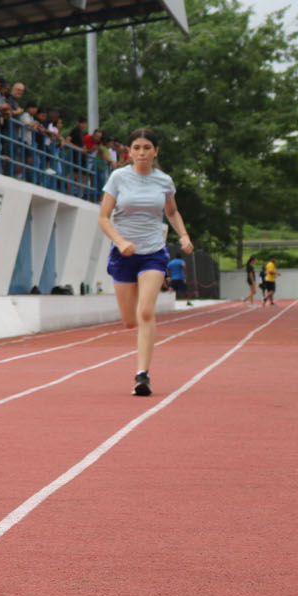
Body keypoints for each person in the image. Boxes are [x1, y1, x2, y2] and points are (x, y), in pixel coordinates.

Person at [97, 127, 192, 398]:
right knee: (130, 321)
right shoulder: (118, 177)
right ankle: (140, 342)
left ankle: (142, 375)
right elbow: (104, 217)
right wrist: (120, 241)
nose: (141, 153)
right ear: (129, 151)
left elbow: (172, 212)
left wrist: (183, 235)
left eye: (147, 148)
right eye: (136, 147)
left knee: (146, 312)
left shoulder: (164, 181)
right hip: (123, 253)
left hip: (152, 252)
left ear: (156, 151)